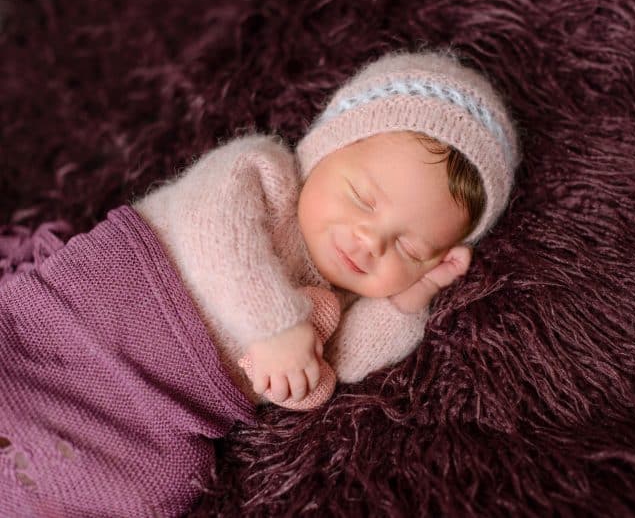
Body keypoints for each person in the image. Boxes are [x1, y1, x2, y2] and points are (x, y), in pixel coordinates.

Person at [0, 50, 519, 516]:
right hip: (102, 310)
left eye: (408, 248)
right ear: (326, 149)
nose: (369, 243)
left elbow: (344, 362)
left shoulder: (344, 300)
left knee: (161, 485)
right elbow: (215, 230)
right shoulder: (264, 172)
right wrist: (274, 326)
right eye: (363, 198)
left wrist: (409, 301)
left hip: (169, 407)